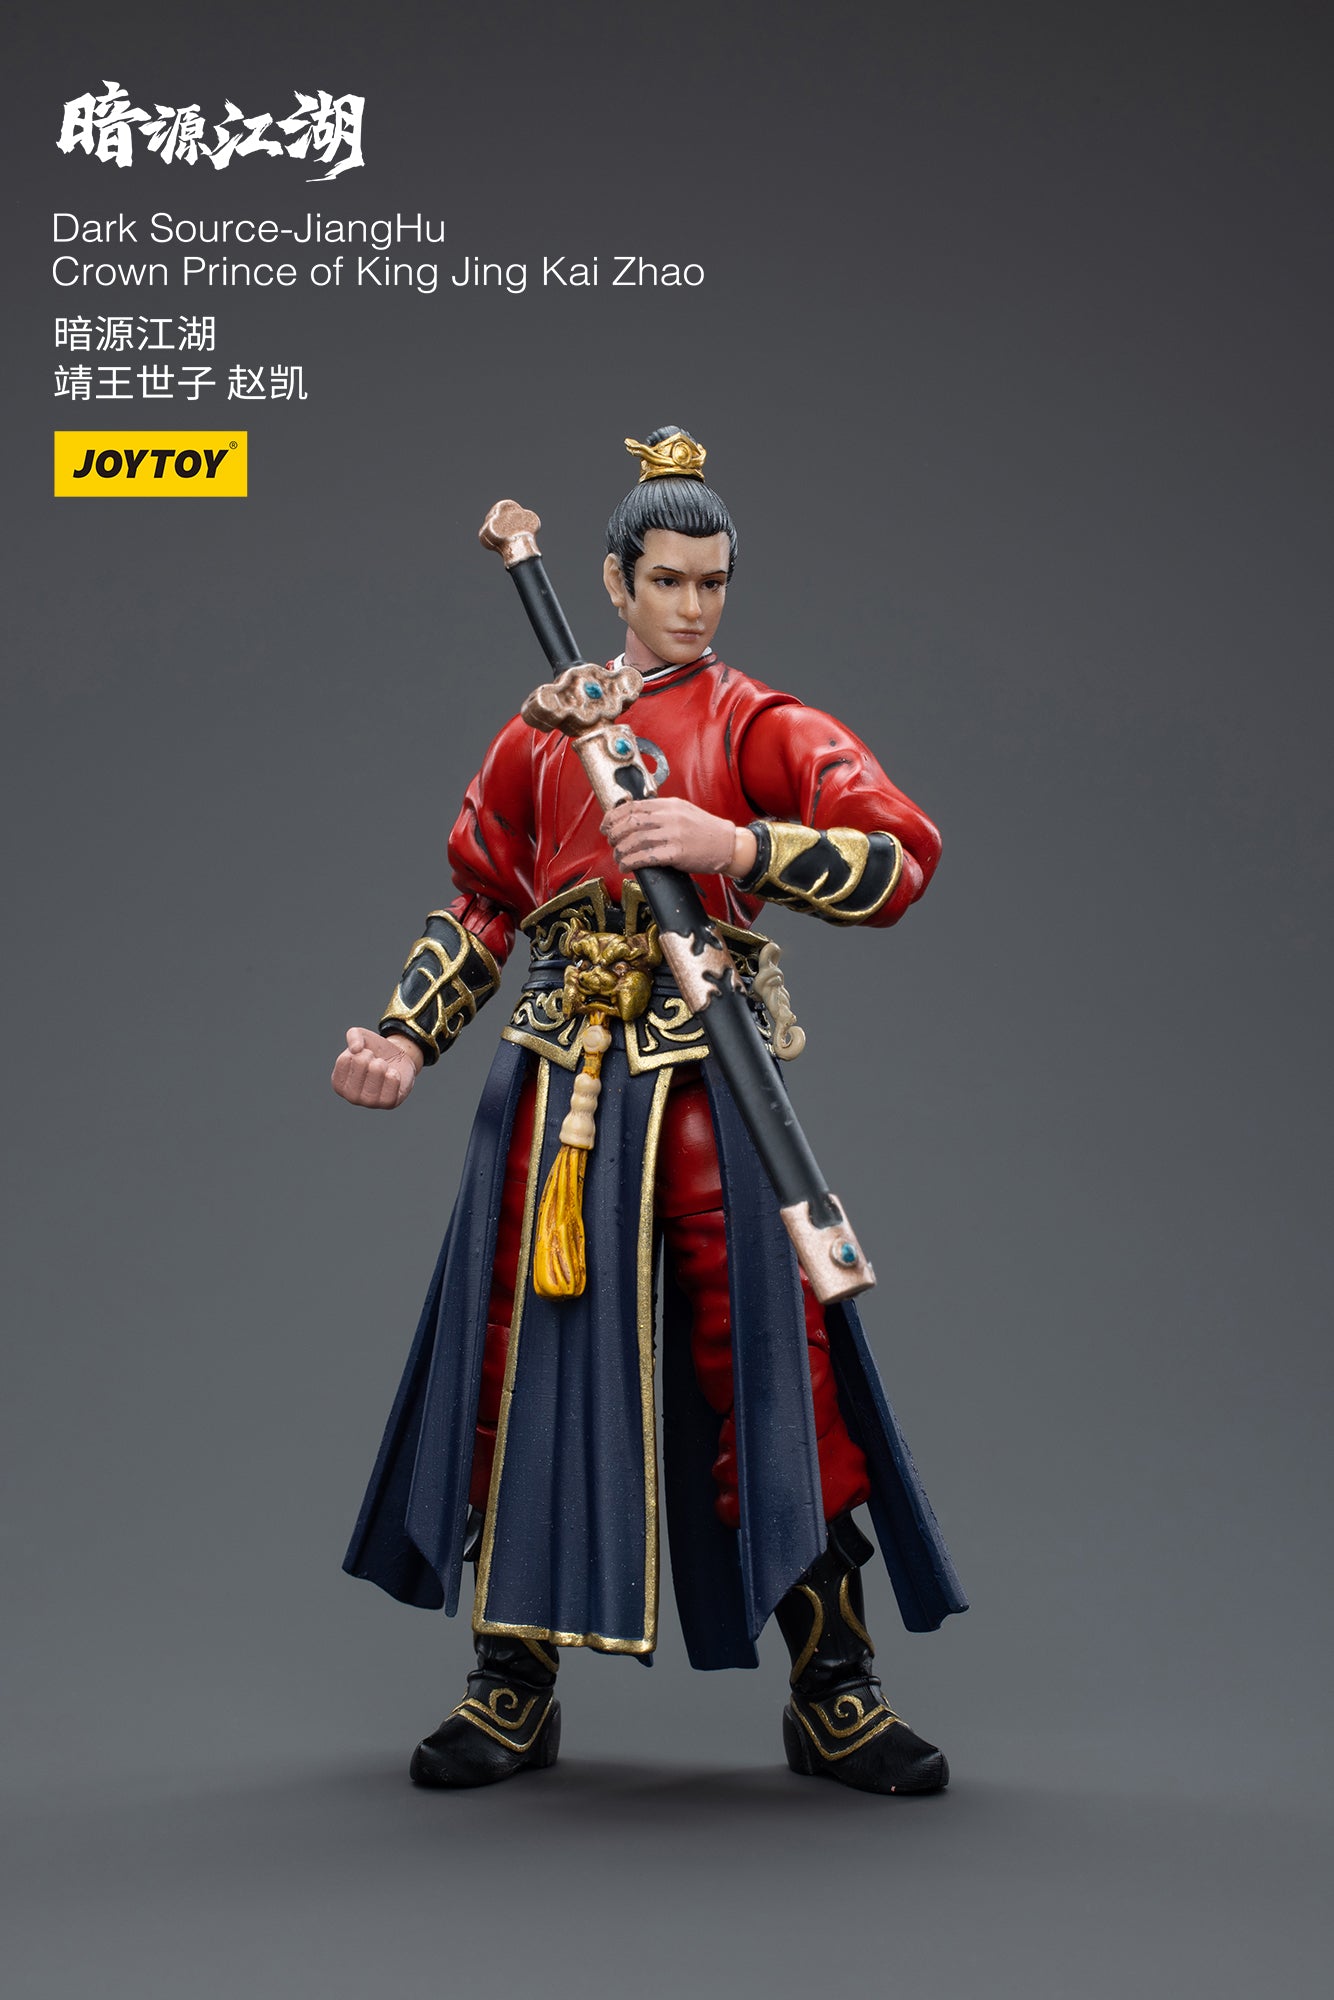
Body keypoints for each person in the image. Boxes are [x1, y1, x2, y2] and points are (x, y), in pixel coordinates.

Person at [334, 427, 966, 1794]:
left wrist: (734, 843)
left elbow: (899, 855)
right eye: (667, 580)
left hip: (705, 1083)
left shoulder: (755, 723)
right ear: (615, 581)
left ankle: (834, 1687)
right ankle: (511, 1679)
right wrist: (402, 1032)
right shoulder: (543, 730)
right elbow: (485, 897)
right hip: (559, 1079)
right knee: (517, 1362)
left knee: (776, 1368)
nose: (692, 606)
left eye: (713, 581)